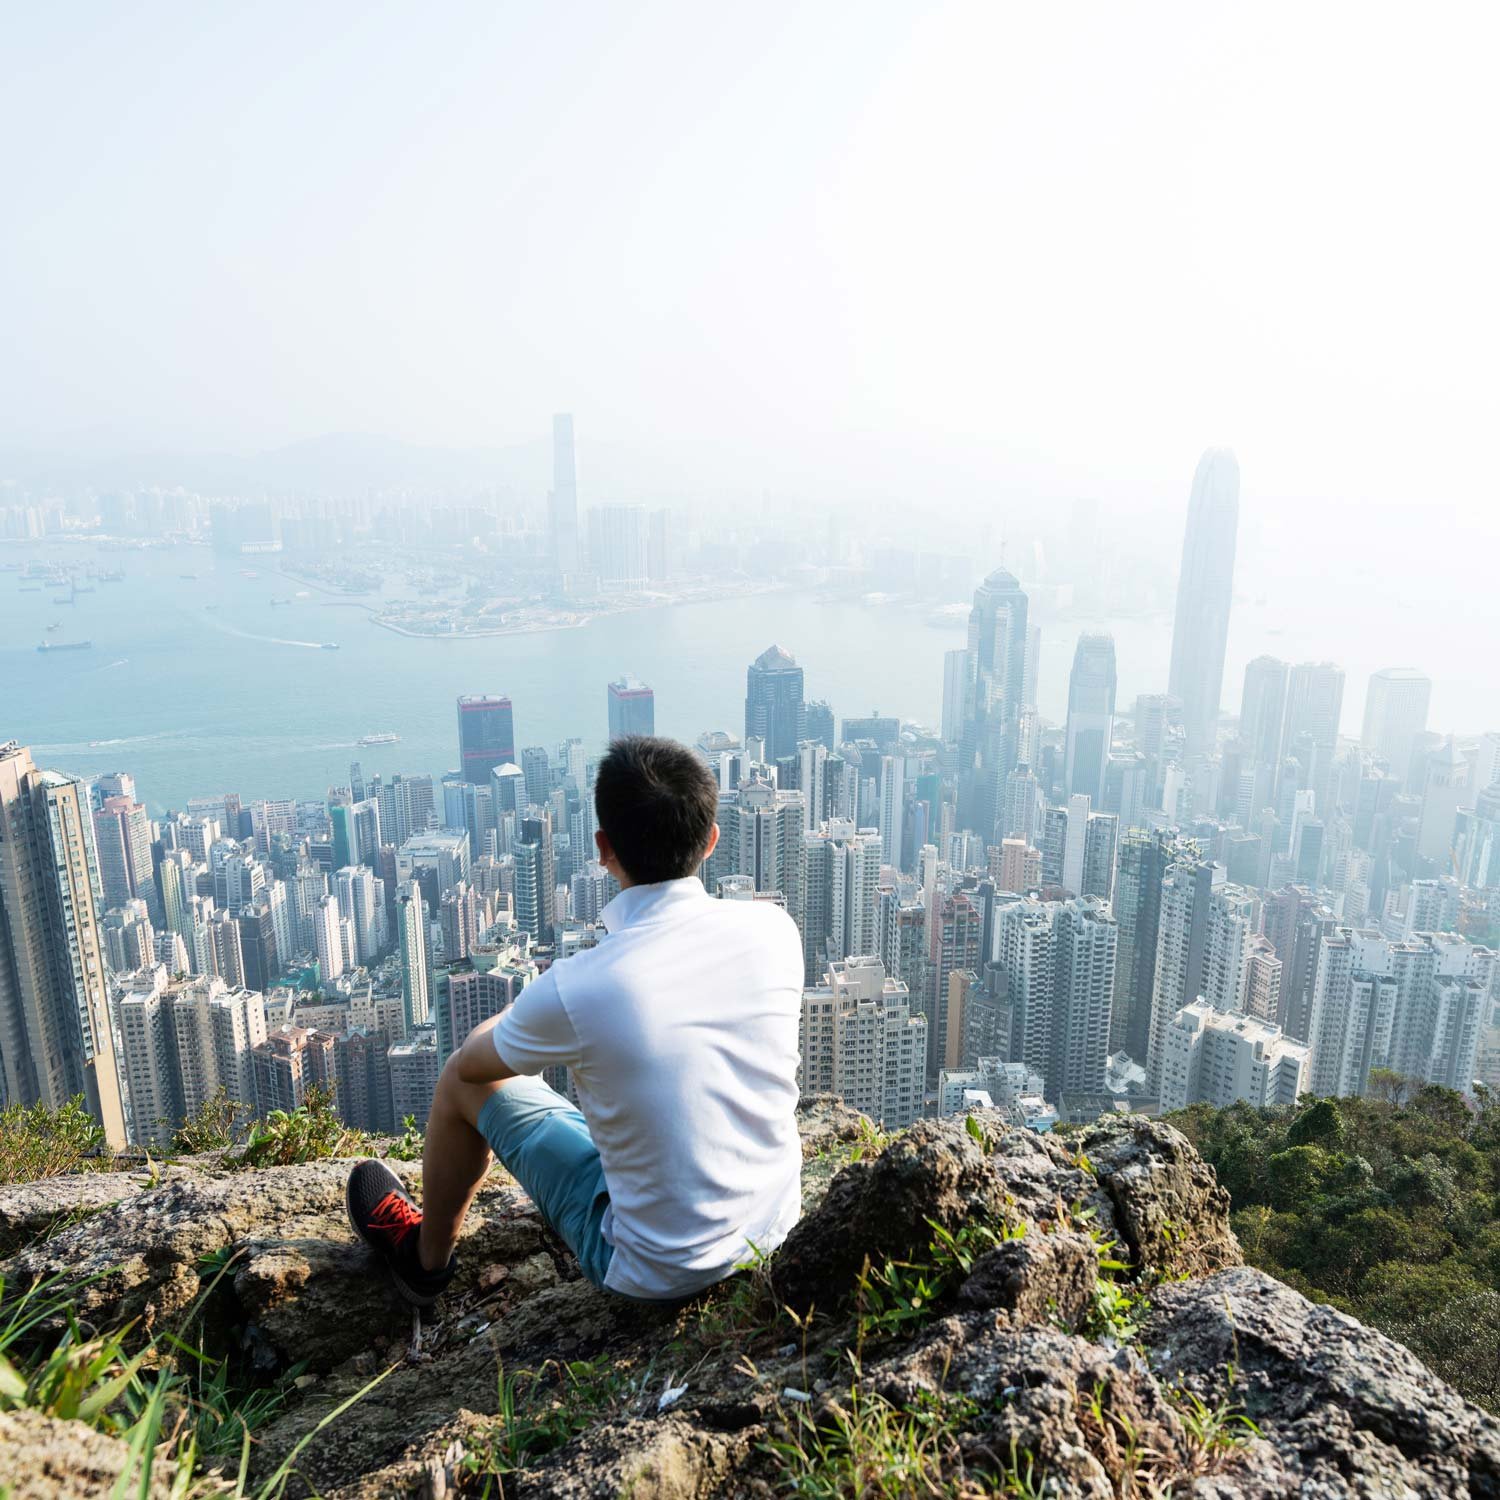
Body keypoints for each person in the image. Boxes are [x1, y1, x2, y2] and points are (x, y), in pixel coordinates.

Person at [346, 734, 805, 1305]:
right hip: (775, 1234)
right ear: (710, 840)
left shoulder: (583, 984)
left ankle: (424, 1262)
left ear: (603, 848)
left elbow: (473, 1062)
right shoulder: (775, 930)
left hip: (652, 1275)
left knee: (460, 1082)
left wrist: (544, 1000)